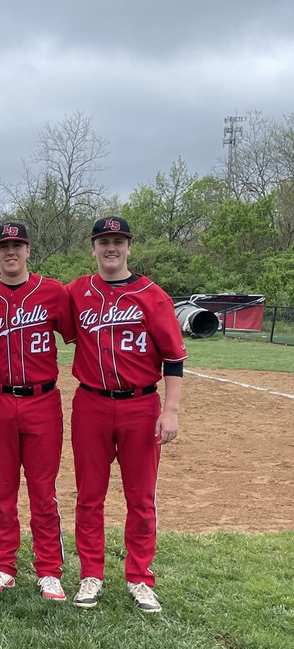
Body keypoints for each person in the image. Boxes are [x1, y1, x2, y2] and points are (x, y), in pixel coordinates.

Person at [66, 216, 186, 613]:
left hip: (141, 404)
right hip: (91, 404)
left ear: (129, 247)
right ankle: (91, 575)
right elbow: (31, 296)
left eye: (118, 241)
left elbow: (173, 357)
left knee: (141, 497)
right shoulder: (77, 291)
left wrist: (170, 410)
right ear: (93, 248)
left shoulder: (153, 295)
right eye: (104, 241)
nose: (111, 248)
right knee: (89, 495)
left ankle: (140, 578)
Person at [0, 222, 73, 601]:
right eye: (3, 247)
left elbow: (78, 333)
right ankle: (3, 565)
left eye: (17, 245)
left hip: (42, 400)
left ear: (28, 250)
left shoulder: (53, 292)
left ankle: (49, 570)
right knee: (2, 491)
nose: (10, 252)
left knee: (43, 492)